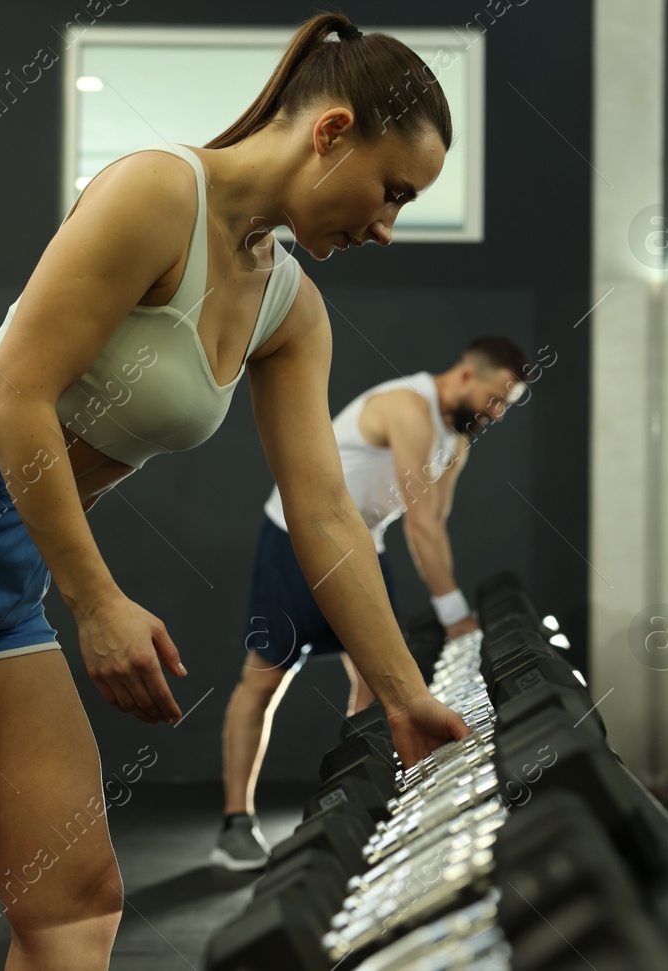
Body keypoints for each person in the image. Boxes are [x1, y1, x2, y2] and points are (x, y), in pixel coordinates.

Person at [0, 12, 471, 971]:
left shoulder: (290, 307)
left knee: (74, 903)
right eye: (393, 191)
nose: (388, 227)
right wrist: (95, 601)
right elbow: (17, 395)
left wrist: (404, 697)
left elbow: (325, 511)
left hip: (3, 577)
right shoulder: (155, 190)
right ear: (332, 131)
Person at [212, 337, 530, 870]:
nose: (496, 412)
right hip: (297, 536)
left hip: (361, 546)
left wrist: (457, 614)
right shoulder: (407, 408)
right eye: (495, 398)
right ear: (466, 377)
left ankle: (351, 810)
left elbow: (436, 529)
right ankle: (234, 823)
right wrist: (456, 617)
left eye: (506, 405)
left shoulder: (458, 440)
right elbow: (422, 526)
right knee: (265, 680)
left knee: (378, 683)